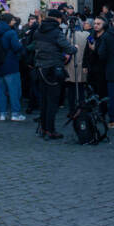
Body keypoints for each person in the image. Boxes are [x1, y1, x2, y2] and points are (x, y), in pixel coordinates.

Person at [33, 9, 77, 139]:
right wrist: (75, 48)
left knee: (44, 100)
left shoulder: (38, 30)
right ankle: (50, 130)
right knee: (52, 101)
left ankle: (43, 127)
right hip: (53, 68)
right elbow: (69, 49)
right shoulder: (57, 32)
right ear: (58, 19)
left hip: (41, 68)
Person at [0, 13, 26, 122]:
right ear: (9, 21)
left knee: (1, 91)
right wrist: (21, 45)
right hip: (11, 64)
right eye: (12, 20)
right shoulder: (11, 33)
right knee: (14, 90)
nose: (14, 21)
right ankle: (15, 113)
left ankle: (2, 114)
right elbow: (16, 47)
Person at [84, 17, 107, 99]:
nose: (96, 25)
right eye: (95, 23)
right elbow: (86, 51)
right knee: (91, 89)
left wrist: (95, 49)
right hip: (91, 67)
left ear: (104, 25)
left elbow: (105, 53)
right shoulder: (91, 35)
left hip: (102, 68)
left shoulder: (106, 36)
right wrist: (84, 65)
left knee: (102, 90)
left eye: (98, 24)